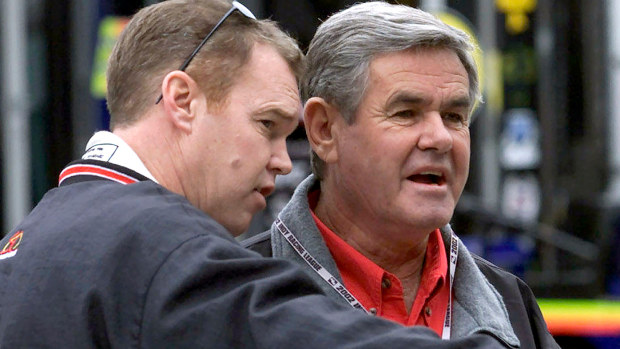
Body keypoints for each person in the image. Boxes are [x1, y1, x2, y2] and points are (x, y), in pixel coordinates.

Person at [0, 0, 506, 348]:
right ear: (182, 100)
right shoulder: (158, 247)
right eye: (267, 125)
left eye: (456, 116)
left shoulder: (36, 234)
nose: (285, 160)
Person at [243, 2, 559, 348]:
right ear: (324, 129)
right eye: (406, 113)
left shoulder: (511, 304)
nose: (439, 138)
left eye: (454, 116)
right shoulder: (235, 295)